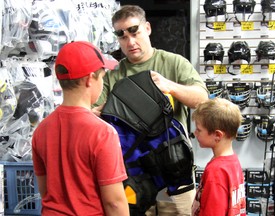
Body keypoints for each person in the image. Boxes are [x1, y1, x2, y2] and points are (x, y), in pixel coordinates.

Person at [92, 4, 209, 216]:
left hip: (173, 170)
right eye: (122, 35)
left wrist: (169, 86)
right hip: (133, 175)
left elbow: (202, 99)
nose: (130, 41)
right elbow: (93, 115)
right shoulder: (113, 75)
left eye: (134, 31)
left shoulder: (173, 63)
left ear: (147, 28)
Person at [32, 41, 129, 216]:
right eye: (102, 76)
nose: (103, 81)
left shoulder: (41, 130)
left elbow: (45, 191)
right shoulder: (103, 133)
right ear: (90, 79)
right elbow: (114, 202)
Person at [191, 98, 246, 216]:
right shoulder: (233, 161)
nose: (195, 133)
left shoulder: (216, 171)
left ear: (217, 135)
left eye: (199, 130)